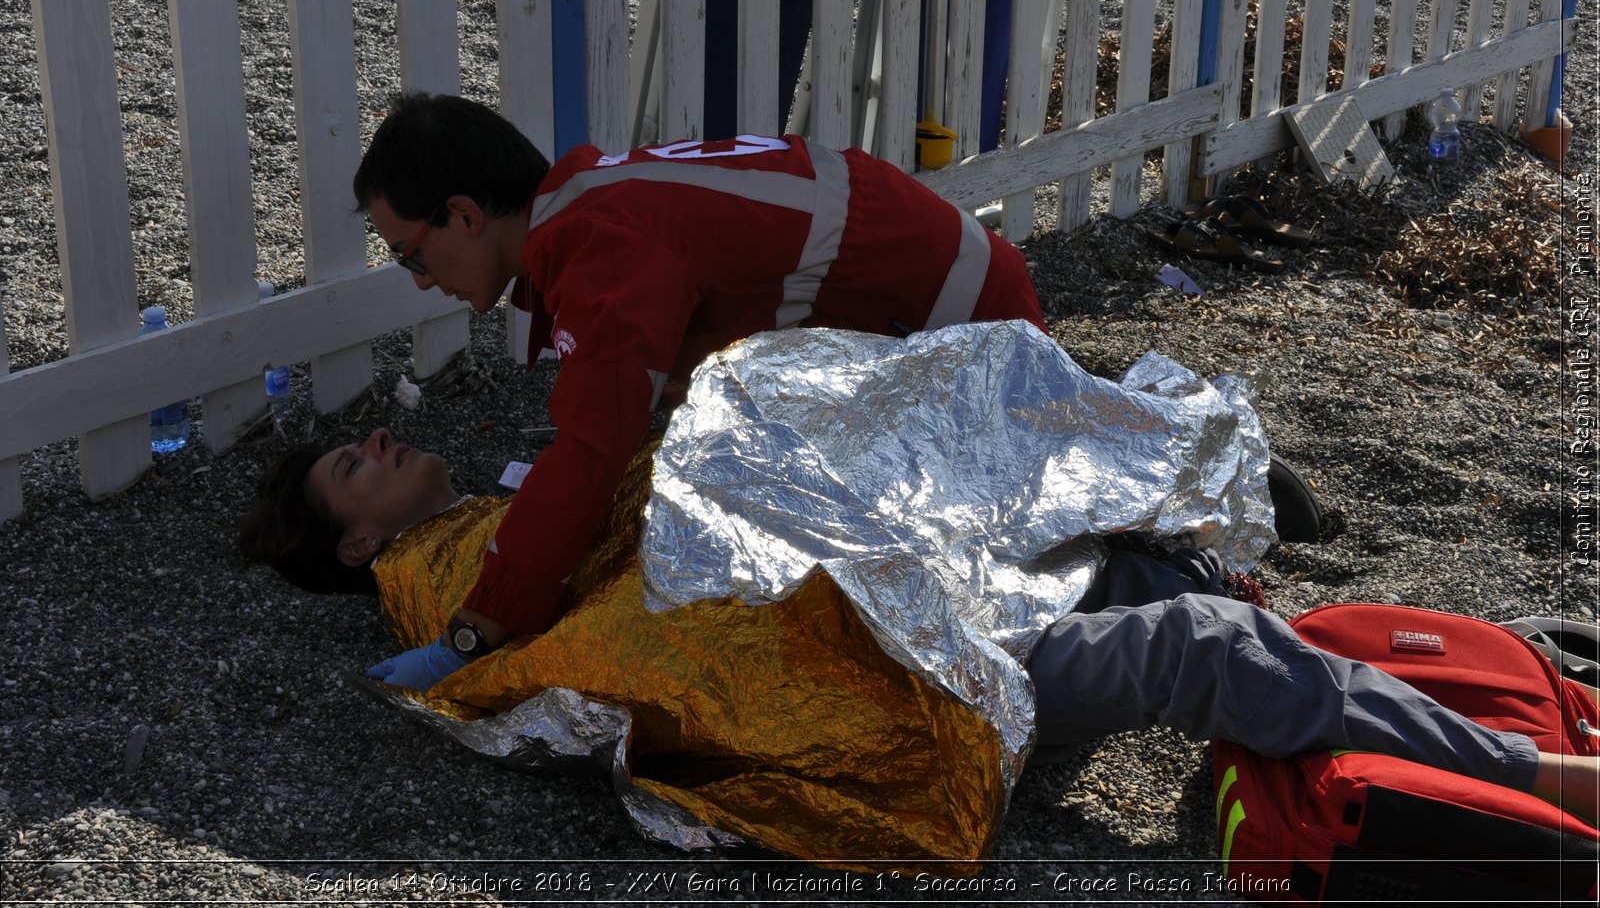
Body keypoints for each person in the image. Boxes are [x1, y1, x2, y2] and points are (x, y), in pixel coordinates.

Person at [237, 426, 1600, 838]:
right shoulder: (448, 569)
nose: (378, 444)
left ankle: (1450, 713)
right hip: (880, 668)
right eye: (350, 468)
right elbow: (623, 621)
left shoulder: (500, 508)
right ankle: (1544, 779)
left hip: (899, 604)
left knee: (1125, 571)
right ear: (357, 542)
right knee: (1201, 642)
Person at [350, 92, 1048, 677]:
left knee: (899, 621)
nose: (417, 278)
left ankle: (1109, 635)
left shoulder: (600, 245)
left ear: (465, 215)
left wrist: (477, 629)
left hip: (974, 346)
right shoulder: (597, 199)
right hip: (949, 314)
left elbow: (593, 446)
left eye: (407, 252)